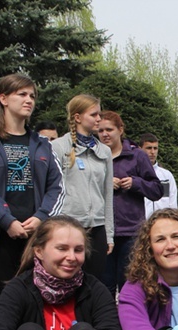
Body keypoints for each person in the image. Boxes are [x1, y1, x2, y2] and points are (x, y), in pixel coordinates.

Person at [0, 74, 65, 329]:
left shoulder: (42, 144)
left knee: (30, 311)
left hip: (34, 240)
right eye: (22, 94)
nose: (29, 100)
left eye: (32, 96)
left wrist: (41, 217)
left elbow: (57, 188)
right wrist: (6, 220)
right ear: (3, 99)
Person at [98, 111, 163, 296]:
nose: (105, 134)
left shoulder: (136, 156)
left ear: (120, 130)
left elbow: (156, 190)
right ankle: (107, 324)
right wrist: (105, 184)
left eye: (109, 129)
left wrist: (135, 183)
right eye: (100, 130)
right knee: (104, 286)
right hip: (101, 230)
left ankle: (129, 322)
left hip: (130, 232)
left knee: (129, 284)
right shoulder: (95, 155)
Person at [51, 94, 114, 280]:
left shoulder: (105, 151)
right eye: (94, 115)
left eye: (99, 115)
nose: (99, 119)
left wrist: (109, 235)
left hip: (97, 228)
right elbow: (52, 192)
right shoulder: (58, 147)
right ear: (77, 117)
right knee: (65, 281)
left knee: (94, 284)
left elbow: (107, 195)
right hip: (68, 226)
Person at [140, 132, 178, 218]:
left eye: (155, 148)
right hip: (141, 225)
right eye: (149, 148)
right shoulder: (135, 175)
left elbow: (173, 204)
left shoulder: (167, 175)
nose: (152, 152)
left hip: (163, 224)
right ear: (140, 149)